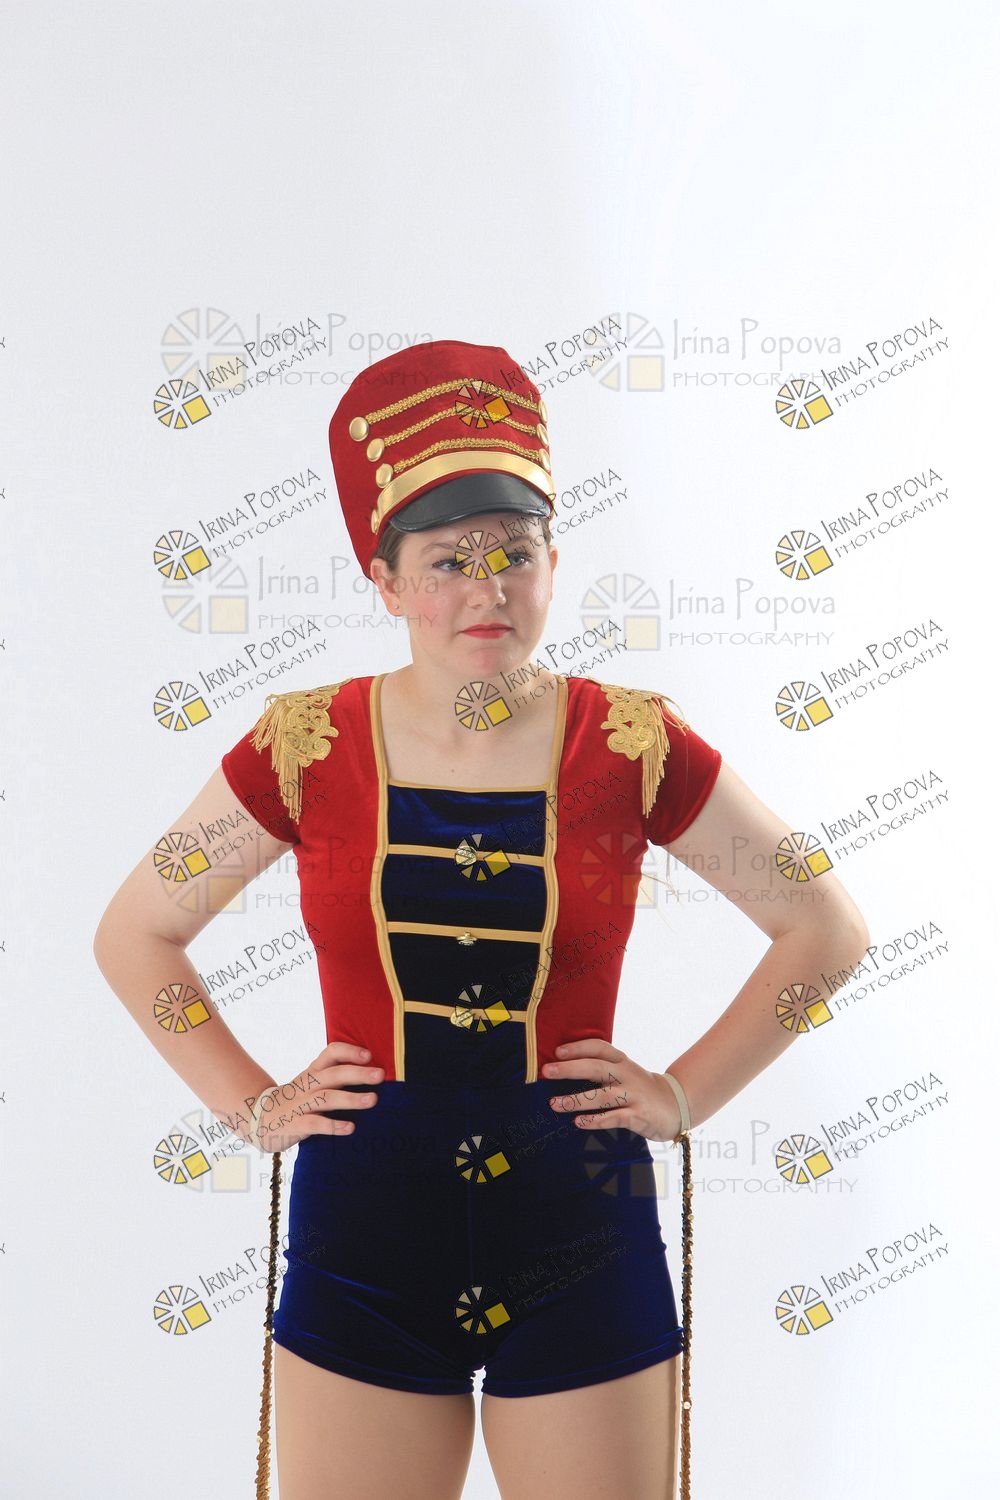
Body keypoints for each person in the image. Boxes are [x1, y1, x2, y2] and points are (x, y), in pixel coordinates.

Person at [93, 339, 871, 1500]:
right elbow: (135, 934)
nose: (487, 589)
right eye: (447, 561)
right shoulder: (302, 744)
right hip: (363, 1232)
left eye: (515, 552)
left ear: (555, 562)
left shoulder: (633, 743)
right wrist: (248, 1102)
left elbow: (825, 929)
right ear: (384, 580)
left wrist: (682, 1095)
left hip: (581, 1228)